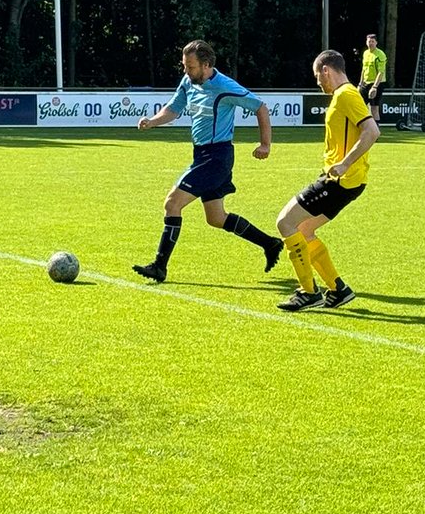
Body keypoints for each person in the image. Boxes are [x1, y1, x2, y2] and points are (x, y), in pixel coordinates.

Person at [133, 39, 284, 284]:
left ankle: (159, 266)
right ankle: (270, 244)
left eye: (190, 67)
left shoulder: (224, 86)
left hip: (217, 157)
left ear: (206, 65)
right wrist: (152, 121)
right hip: (202, 155)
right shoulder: (188, 82)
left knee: (172, 204)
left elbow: (260, 107)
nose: (186, 71)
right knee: (216, 218)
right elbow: (173, 109)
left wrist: (265, 144)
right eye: (184, 66)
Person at [275, 49, 380, 312]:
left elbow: (372, 130)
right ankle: (338, 289)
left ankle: (308, 292)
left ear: (326, 70)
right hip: (347, 182)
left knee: (285, 222)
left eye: (317, 76)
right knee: (304, 230)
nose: (317, 82)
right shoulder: (343, 95)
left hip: (339, 181)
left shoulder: (346, 95)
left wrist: (345, 162)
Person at [359, 33, 387, 122]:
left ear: (376, 43)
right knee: (360, 105)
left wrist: (375, 87)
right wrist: (360, 83)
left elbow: (381, 72)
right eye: (369, 41)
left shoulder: (380, 54)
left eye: (372, 41)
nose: (370, 43)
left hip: (376, 84)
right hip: (365, 83)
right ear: (366, 42)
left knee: (374, 108)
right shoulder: (365, 53)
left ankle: (375, 131)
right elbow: (364, 69)